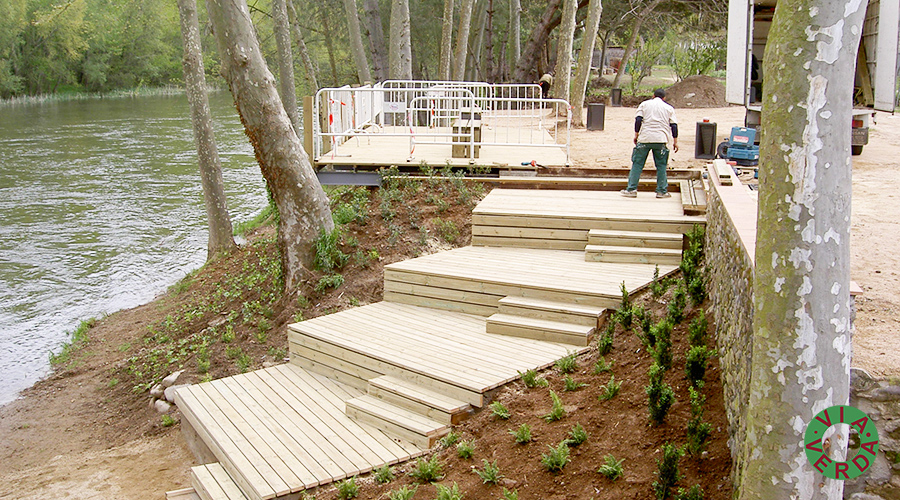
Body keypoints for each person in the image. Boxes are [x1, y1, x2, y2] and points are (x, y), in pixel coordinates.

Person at [621, 88, 679, 198]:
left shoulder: (644, 105)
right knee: (661, 166)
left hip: (645, 138)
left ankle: (631, 189)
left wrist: (636, 135)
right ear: (664, 98)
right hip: (661, 139)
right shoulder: (669, 108)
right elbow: (674, 126)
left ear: (653, 95)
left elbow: (638, 120)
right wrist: (675, 142)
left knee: (637, 164)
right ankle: (661, 191)